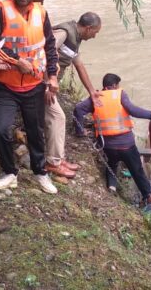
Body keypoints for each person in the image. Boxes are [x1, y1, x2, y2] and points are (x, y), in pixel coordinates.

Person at [0, 0, 60, 194]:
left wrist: (53, 76)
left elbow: (49, 45)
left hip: (34, 84)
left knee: (36, 131)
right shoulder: (0, 8)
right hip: (5, 84)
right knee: (1, 129)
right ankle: (9, 172)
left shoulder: (41, 12)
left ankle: (40, 172)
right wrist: (16, 62)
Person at [73, 73, 151, 205]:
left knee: (112, 163)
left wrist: (80, 131)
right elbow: (133, 110)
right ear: (115, 85)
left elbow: (78, 109)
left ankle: (112, 187)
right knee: (137, 170)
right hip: (127, 145)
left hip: (107, 146)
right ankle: (149, 198)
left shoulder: (96, 97)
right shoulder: (120, 94)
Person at [43, 9, 103, 180]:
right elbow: (45, 50)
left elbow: (79, 66)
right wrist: (48, 82)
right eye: (95, 32)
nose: (95, 36)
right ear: (89, 28)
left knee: (56, 119)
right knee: (58, 118)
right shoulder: (64, 33)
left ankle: (58, 159)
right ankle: (53, 163)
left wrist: (92, 92)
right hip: (42, 84)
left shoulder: (75, 39)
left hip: (49, 85)